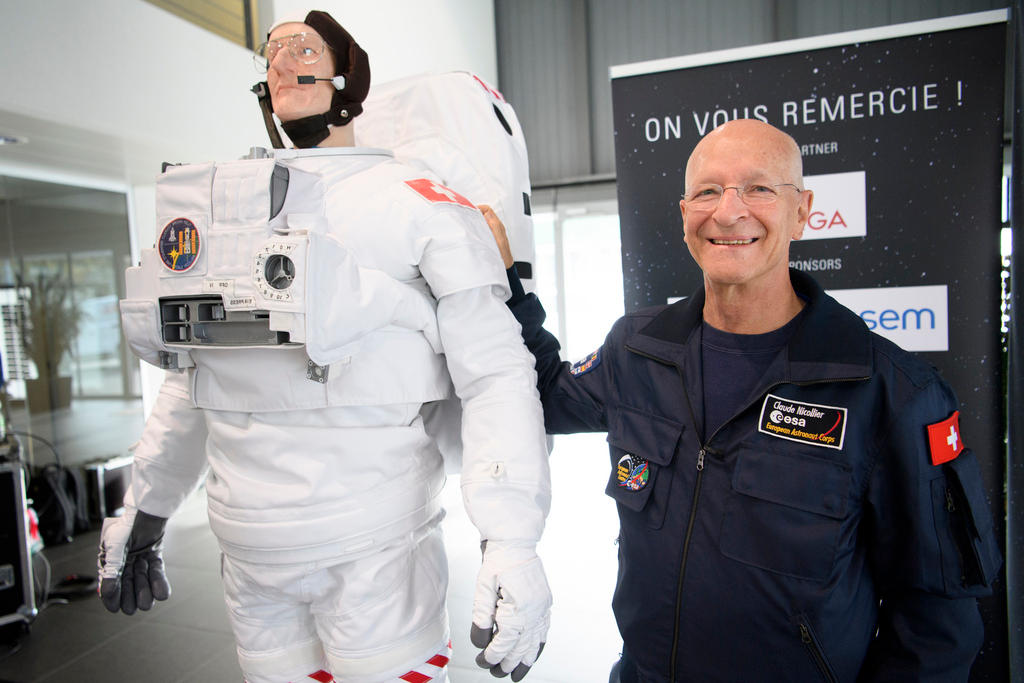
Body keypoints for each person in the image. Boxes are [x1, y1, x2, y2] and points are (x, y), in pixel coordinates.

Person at [98, 10, 552, 683]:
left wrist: (511, 537)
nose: (284, 64)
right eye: (273, 52)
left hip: (376, 549)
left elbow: (494, 372)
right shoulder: (229, 209)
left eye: (302, 48)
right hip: (250, 552)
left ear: (347, 75)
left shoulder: (417, 202)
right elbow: (195, 368)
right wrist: (146, 502)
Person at [482, 118, 1002, 682]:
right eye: (707, 191)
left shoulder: (890, 391)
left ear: (802, 212)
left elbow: (938, 626)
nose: (729, 212)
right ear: (685, 215)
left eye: (758, 188)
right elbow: (544, 395)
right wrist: (506, 286)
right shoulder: (637, 350)